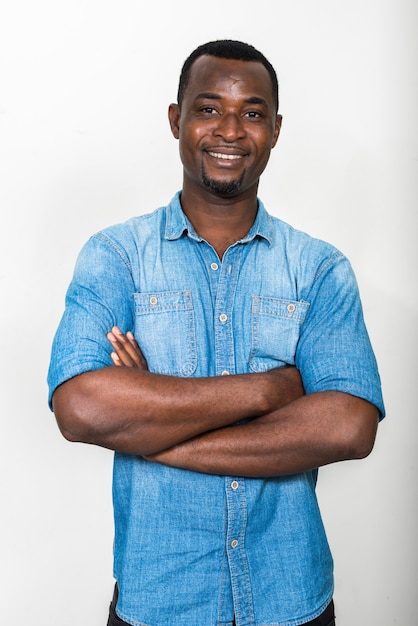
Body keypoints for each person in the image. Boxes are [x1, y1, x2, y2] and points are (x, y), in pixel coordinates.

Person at [47, 39, 385, 626]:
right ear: (177, 119)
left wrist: (151, 425)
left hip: (292, 600)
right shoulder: (115, 257)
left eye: (252, 113)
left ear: (275, 130)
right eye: (209, 109)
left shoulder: (319, 269)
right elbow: (80, 408)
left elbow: (349, 427)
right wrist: (271, 391)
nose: (230, 130)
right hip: (159, 601)